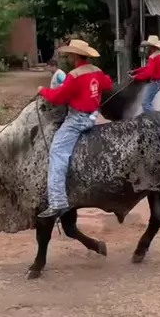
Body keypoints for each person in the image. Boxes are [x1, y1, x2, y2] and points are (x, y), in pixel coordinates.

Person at [37, 39, 114, 218]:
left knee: (57, 151)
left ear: (75, 56)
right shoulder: (96, 70)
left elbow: (58, 97)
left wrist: (42, 90)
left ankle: (57, 202)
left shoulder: (74, 75)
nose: (70, 57)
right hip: (94, 116)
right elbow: (108, 84)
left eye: (71, 55)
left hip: (77, 119)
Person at [130, 35, 160, 112]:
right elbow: (149, 68)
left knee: (145, 103)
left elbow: (148, 73)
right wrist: (136, 71)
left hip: (157, 82)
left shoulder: (152, 57)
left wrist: (136, 77)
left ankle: (156, 117)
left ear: (151, 47)